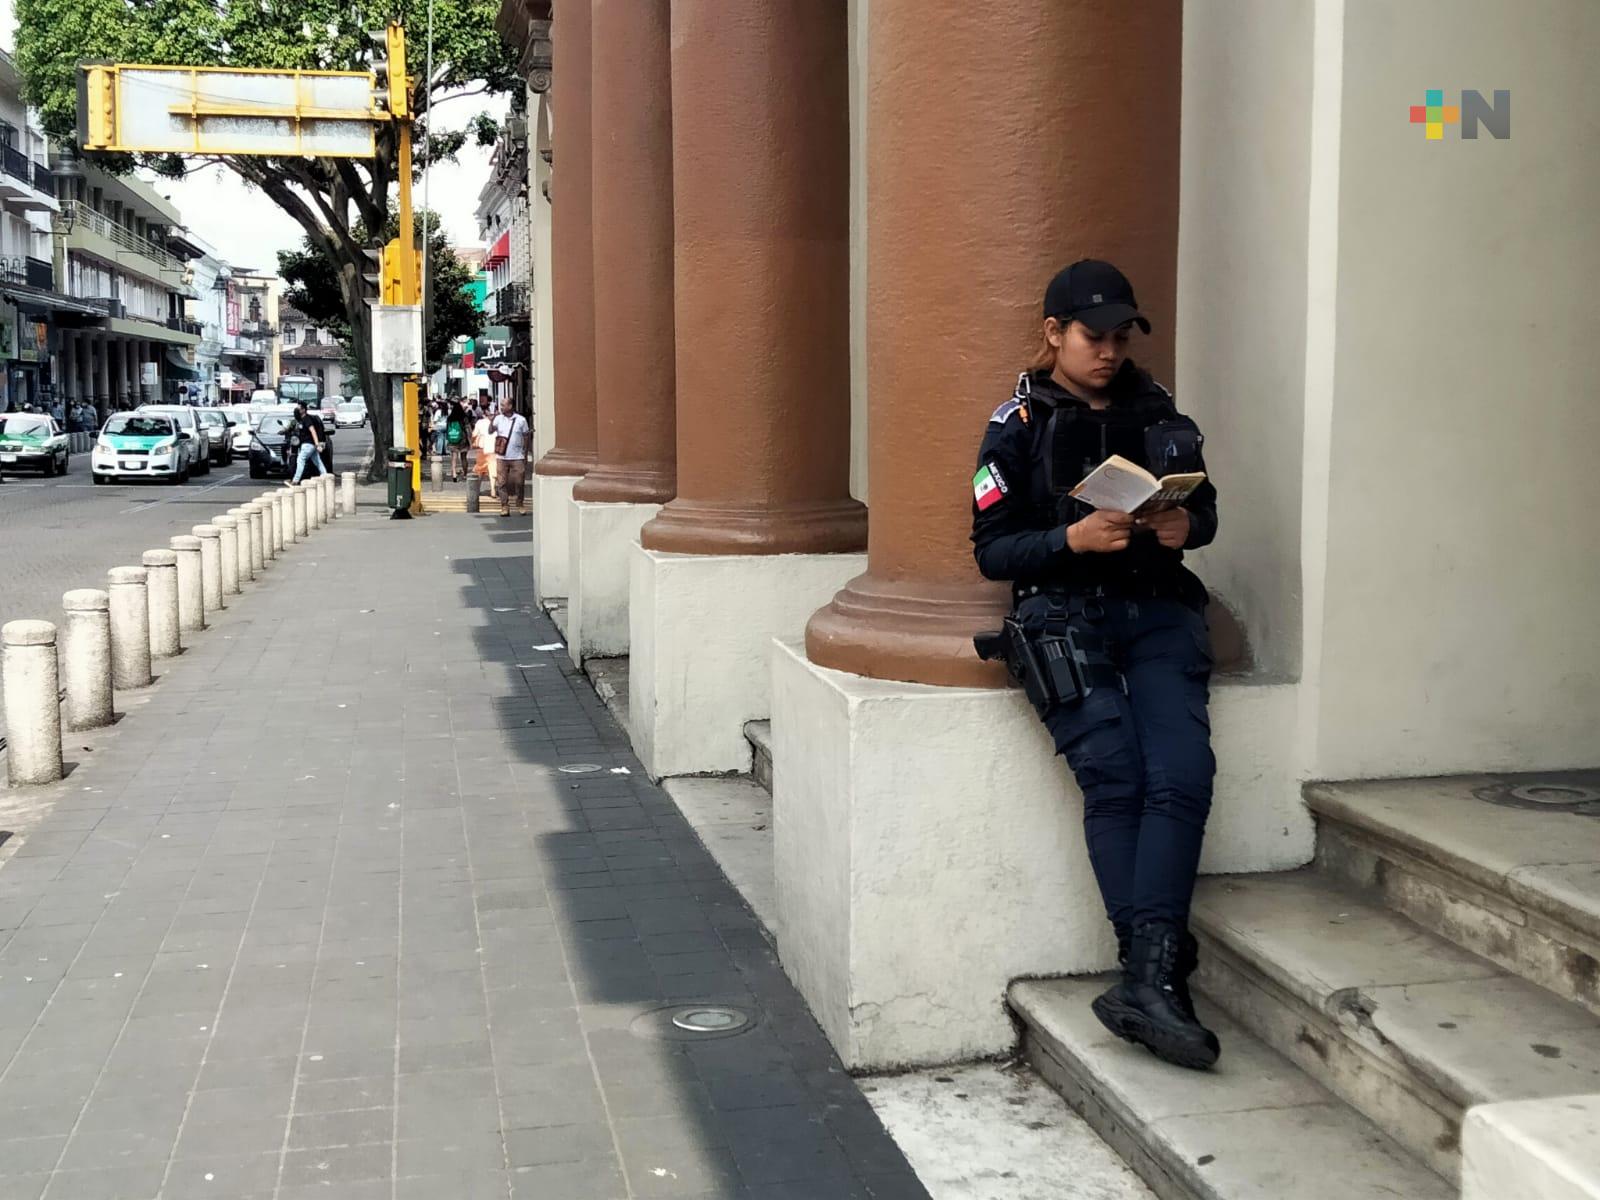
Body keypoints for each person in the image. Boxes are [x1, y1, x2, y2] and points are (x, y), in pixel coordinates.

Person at [970, 259, 1221, 1071]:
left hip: (1156, 612)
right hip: (1062, 616)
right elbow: (991, 550)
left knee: (1182, 773)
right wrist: (1067, 540)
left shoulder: (1159, 413)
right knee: (1116, 776)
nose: (1108, 353)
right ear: (1054, 334)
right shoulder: (1016, 423)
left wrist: (1190, 529)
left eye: (1120, 338)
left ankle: (1145, 985)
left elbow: (1205, 508)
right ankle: (1154, 978)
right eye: (1092, 337)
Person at [491, 396, 531, 516]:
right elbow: (490, 430)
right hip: (501, 457)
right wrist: (492, 419)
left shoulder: (521, 420)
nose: (501, 407)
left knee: (519, 481)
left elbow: (526, 436)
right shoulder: (498, 418)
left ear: (510, 406)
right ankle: (504, 506)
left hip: (517, 456)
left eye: (503, 405)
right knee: (501, 482)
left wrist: (525, 452)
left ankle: (520, 503)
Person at [286, 402, 328, 485]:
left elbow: (313, 431)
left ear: (303, 410)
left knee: (300, 460)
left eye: (298, 408)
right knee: (318, 461)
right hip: (308, 445)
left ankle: (295, 480)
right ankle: (326, 477)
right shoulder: (301, 420)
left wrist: (317, 444)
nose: (296, 410)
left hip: (308, 444)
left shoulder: (307, 419)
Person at [445, 400, 470, 481]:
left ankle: (454, 474)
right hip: (463, 439)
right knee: (463, 457)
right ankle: (465, 474)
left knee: (454, 458)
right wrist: (470, 440)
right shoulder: (464, 417)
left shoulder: (450, 418)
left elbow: (447, 429)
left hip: (453, 438)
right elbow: (468, 429)